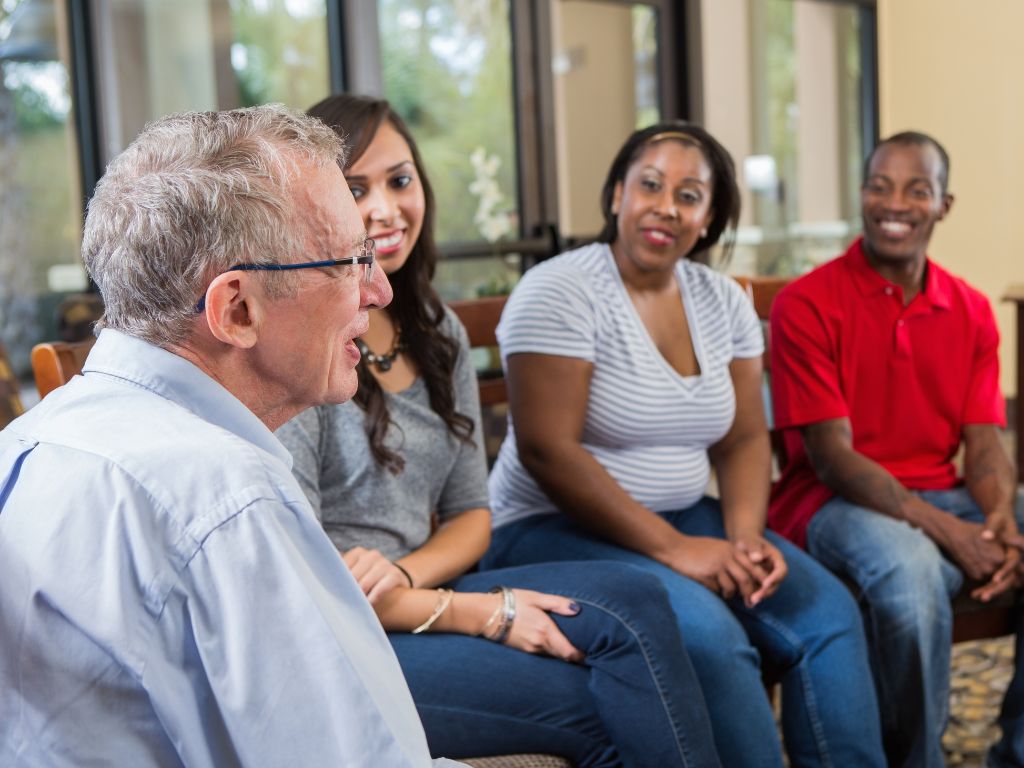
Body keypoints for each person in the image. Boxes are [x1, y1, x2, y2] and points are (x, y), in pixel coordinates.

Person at [0, 105, 466, 767]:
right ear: (237, 309)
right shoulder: (225, 498)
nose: (380, 291)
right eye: (349, 261)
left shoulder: (25, 443)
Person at [276, 94, 722, 768]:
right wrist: (482, 611)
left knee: (637, 597)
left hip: (418, 586)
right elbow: (304, 582)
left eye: (399, 180)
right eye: (354, 187)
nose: (384, 209)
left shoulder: (437, 331)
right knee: (605, 704)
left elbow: (472, 516)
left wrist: (404, 573)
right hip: (341, 638)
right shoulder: (300, 347)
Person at [481, 121, 886, 768]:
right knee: (707, 633)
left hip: (683, 517)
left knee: (827, 612)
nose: (666, 205)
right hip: (546, 529)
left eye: (690, 194)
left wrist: (745, 538)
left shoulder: (723, 300)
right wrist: (677, 551)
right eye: (649, 185)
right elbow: (548, 452)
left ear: (710, 218)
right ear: (617, 195)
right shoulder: (560, 290)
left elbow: (745, 437)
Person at [767, 130, 1024, 768]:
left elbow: (985, 445)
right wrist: (949, 532)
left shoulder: (969, 310)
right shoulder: (807, 304)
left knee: (962, 549)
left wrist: (999, 520)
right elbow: (832, 457)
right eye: (879, 186)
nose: (894, 203)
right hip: (828, 503)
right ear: (861, 194)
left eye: (916, 189)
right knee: (911, 576)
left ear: (944, 204)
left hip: (941, 495)